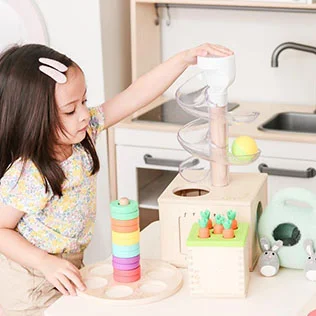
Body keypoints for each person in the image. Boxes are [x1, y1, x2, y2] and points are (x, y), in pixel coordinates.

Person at [0, 43, 233, 315]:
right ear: (33, 118)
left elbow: (136, 94)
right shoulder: (29, 173)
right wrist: (44, 263)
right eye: (70, 110)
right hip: (27, 281)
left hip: (67, 267)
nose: (85, 114)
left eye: (84, 102)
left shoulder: (83, 137)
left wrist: (183, 60)